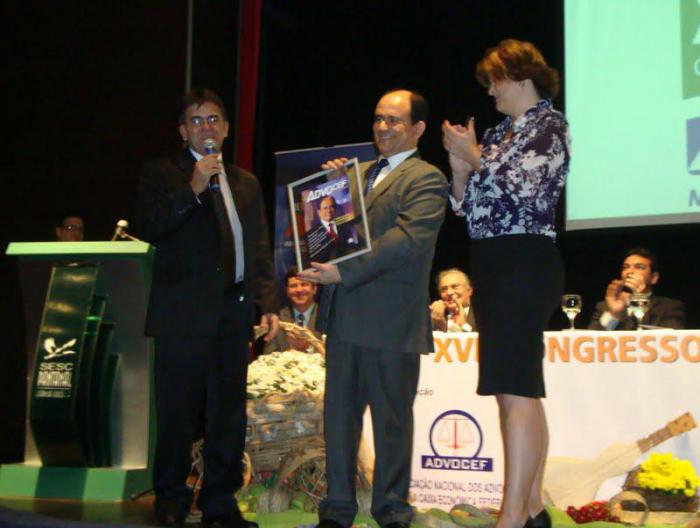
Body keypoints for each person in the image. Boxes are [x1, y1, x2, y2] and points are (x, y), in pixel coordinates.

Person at [299, 89, 448, 528]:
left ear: (418, 128)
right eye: (379, 118)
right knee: (338, 421)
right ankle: (337, 508)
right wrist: (331, 190)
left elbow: (405, 241)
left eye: (394, 120)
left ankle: (392, 509)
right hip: (345, 316)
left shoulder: (427, 178)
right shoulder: (355, 174)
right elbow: (329, 229)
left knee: (391, 423)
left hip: (391, 321)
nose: (383, 127)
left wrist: (342, 272)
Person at [135, 88, 279, 528]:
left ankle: (220, 502)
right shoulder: (162, 174)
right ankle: (171, 498)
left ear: (227, 128)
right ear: (183, 132)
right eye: (196, 121)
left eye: (214, 119)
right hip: (182, 314)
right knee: (177, 413)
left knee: (228, 415)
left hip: (233, 314)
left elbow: (258, 246)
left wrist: (268, 302)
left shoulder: (246, 182)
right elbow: (149, 227)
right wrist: (193, 188)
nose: (207, 127)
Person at [442, 40, 570, 528]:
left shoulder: (549, 126)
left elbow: (525, 188)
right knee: (513, 390)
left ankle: (512, 515)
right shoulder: (499, 133)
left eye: (494, 80)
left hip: (525, 261)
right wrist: (460, 170)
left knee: (515, 388)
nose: (490, 90)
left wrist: (474, 156)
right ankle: (532, 508)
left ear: (519, 77)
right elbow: (468, 208)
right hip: (493, 262)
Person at [588, 247, 685, 330]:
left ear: (654, 278)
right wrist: (615, 314)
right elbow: (590, 340)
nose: (630, 272)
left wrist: (639, 300)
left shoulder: (669, 307)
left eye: (639, 267)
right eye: (626, 267)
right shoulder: (604, 307)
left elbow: (671, 339)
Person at [263, 266, 321, 353]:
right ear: (287, 291)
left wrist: (309, 347)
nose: (299, 290)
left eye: (304, 284)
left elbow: (337, 353)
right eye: (293, 286)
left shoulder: (328, 316)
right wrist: (291, 351)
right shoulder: (277, 319)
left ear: (314, 289)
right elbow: (268, 355)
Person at [308, 195, 358, 262]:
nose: (329, 211)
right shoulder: (312, 234)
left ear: (335, 209)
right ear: (319, 212)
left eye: (331, 207)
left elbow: (354, 244)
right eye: (325, 208)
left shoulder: (346, 225)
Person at [430, 268, 477, 332]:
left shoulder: (481, 314)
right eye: (444, 289)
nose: (449, 293)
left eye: (455, 287)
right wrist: (441, 327)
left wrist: (464, 326)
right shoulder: (434, 317)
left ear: (469, 290)